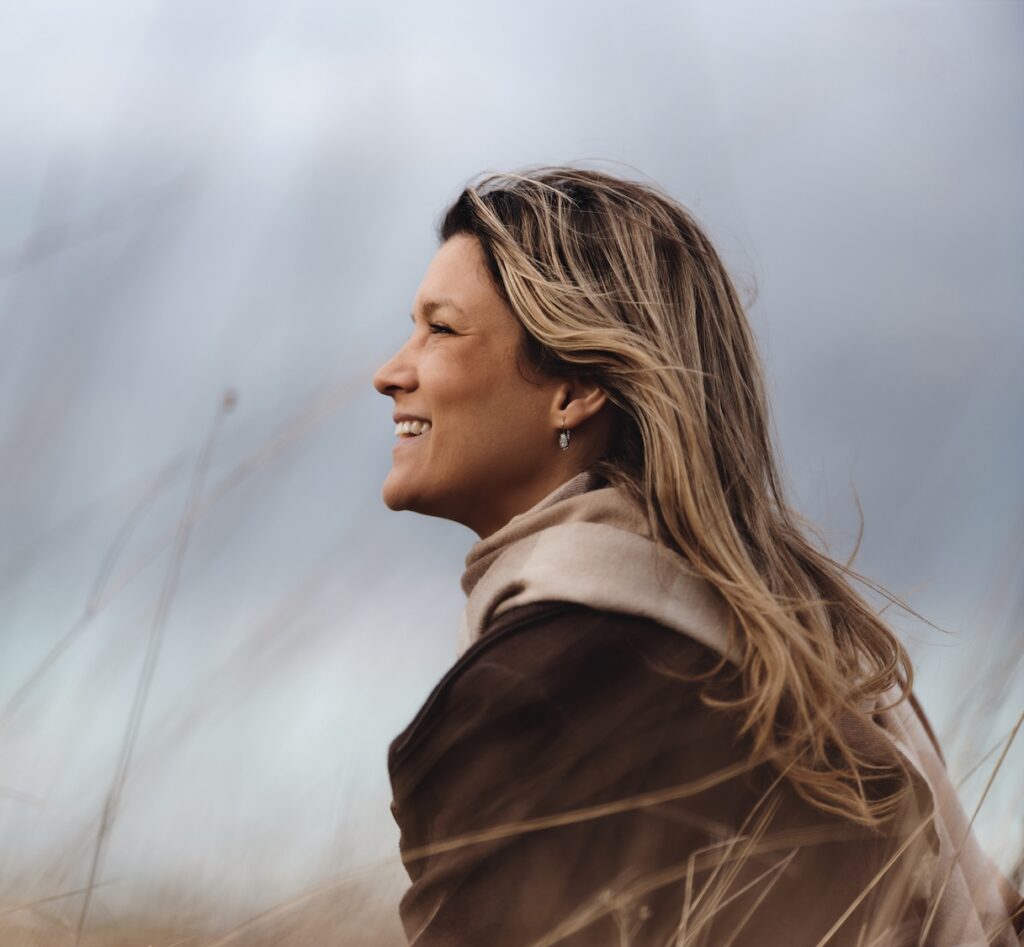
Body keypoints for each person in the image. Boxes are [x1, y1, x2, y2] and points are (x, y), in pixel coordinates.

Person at [372, 167, 1022, 946]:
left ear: (574, 388)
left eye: (440, 329)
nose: (391, 372)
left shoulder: (537, 692)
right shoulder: (816, 654)